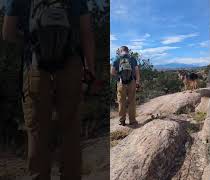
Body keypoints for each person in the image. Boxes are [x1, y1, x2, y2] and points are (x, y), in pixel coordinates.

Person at [2, 0, 95, 179]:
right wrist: (90, 70)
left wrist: (32, 41)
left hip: (36, 67)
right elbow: (87, 33)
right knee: (70, 131)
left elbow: (7, 33)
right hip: (71, 66)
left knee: (38, 133)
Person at [111, 46, 140, 126]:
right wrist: (137, 82)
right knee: (132, 101)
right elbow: (137, 71)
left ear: (120, 51)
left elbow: (112, 72)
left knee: (121, 101)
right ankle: (132, 121)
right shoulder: (132, 59)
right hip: (132, 82)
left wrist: (119, 75)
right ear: (127, 51)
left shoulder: (116, 59)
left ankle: (122, 121)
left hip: (121, 82)